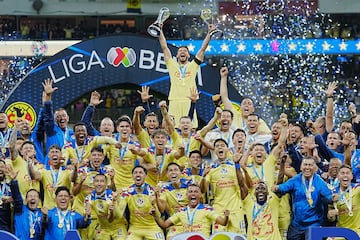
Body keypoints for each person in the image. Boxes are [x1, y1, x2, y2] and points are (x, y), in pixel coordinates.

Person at [159, 20, 216, 128]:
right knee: (172, 129)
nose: (182, 52)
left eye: (185, 51)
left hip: (189, 100)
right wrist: (160, 30)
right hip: (174, 100)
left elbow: (203, 49)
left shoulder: (193, 65)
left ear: (189, 55)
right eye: (180, 51)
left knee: (190, 128)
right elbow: (164, 47)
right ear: (176, 55)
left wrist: (209, 33)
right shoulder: (172, 65)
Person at [272, 157, 334, 240]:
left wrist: (332, 198)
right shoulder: (296, 179)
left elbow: (328, 196)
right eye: (305, 165)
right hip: (296, 225)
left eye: (310, 165)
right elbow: (285, 187)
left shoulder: (319, 181)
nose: (307, 167)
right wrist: (277, 188)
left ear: (315, 168)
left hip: (314, 224)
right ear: (301, 167)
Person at [200, 138, 247, 234]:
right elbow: (203, 190)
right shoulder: (211, 168)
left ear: (228, 149)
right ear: (214, 151)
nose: (220, 147)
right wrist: (203, 176)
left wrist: (237, 164)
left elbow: (242, 184)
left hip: (236, 209)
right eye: (217, 146)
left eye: (222, 145)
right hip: (219, 210)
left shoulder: (235, 166)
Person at [151, 183, 229, 238]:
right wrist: (155, 216)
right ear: (186, 195)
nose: (193, 194)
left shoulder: (207, 209)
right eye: (190, 192)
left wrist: (226, 216)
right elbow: (164, 225)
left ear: (200, 195)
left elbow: (223, 222)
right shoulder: (181, 211)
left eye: (196, 192)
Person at [219, 66, 270, 134]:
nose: (246, 105)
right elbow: (224, 97)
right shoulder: (234, 115)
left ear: (253, 109)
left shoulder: (258, 121)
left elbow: (269, 135)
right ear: (240, 107)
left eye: (249, 104)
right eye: (244, 103)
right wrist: (223, 77)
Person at [120, 165, 165, 240]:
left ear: (145, 175)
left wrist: (155, 201)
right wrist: (115, 200)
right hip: (135, 228)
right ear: (132, 176)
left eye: (140, 172)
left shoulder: (153, 191)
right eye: (135, 173)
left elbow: (161, 213)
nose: (138, 174)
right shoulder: (127, 192)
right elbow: (120, 211)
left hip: (152, 227)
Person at [27, 144, 77, 209]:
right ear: (48, 156)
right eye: (52, 152)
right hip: (48, 210)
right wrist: (29, 164)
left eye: (57, 152)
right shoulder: (44, 171)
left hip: (65, 210)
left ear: (61, 155)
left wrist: (75, 168)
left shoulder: (67, 171)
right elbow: (34, 176)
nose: (54, 154)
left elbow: (73, 178)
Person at [85, 174, 128, 240]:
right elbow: (86, 217)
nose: (99, 184)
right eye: (97, 181)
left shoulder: (112, 197)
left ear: (106, 184)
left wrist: (112, 211)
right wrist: (87, 215)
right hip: (104, 228)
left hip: (118, 227)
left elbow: (113, 219)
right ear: (93, 183)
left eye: (102, 181)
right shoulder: (89, 197)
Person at [327, 165, 360, 235]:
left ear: (352, 176)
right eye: (342, 173)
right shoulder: (333, 193)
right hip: (341, 231)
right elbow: (331, 218)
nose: (345, 175)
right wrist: (330, 215)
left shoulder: (357, 188)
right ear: (338, 176)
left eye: (347, 173)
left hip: (357, 231)